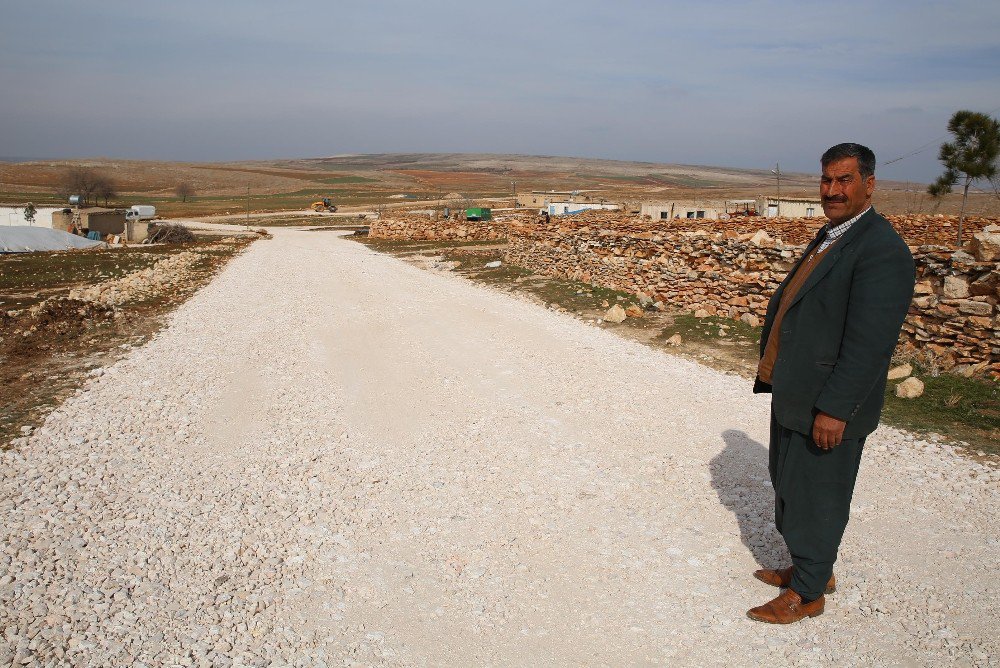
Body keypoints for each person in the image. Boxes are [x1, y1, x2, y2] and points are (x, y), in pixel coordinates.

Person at [747, 143, 915, 624]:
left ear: (869, 184)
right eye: (826, 180)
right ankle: (811, 569)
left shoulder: (880, 250)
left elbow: (870, 344)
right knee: (792, 487)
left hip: (829, 403)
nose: (833, 190)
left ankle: (809, 594)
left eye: (844, 180)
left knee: (819, 496)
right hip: (798, 393)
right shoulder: (832, 236)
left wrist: (837, 408)